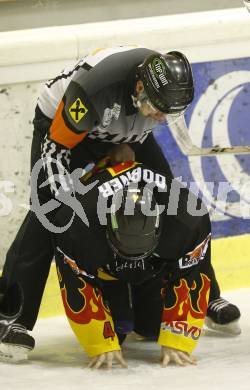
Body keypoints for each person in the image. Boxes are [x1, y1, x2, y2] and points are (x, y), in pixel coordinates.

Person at [0, 46, 240, 362]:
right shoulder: (94, 89)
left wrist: (127, 141)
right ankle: (11, 317)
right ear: (140, 88)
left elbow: (148, 116)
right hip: (65, 133)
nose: (163, 118)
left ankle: (206, 295)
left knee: (171, 202)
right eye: (159, 110)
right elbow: (56, 148)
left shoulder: (163, 89)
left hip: (122, 130)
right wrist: (64, 200)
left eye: (170, 112)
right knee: (49, 215)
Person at [52, 160, 211, 368]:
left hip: (156, 268)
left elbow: (192, 275)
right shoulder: (75, 224)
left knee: (152, 328)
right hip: (107, 268)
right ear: (107, 228)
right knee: (116, 334)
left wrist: (178, 339)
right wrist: (100, 343)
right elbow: (77, 282)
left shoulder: (189, 218)